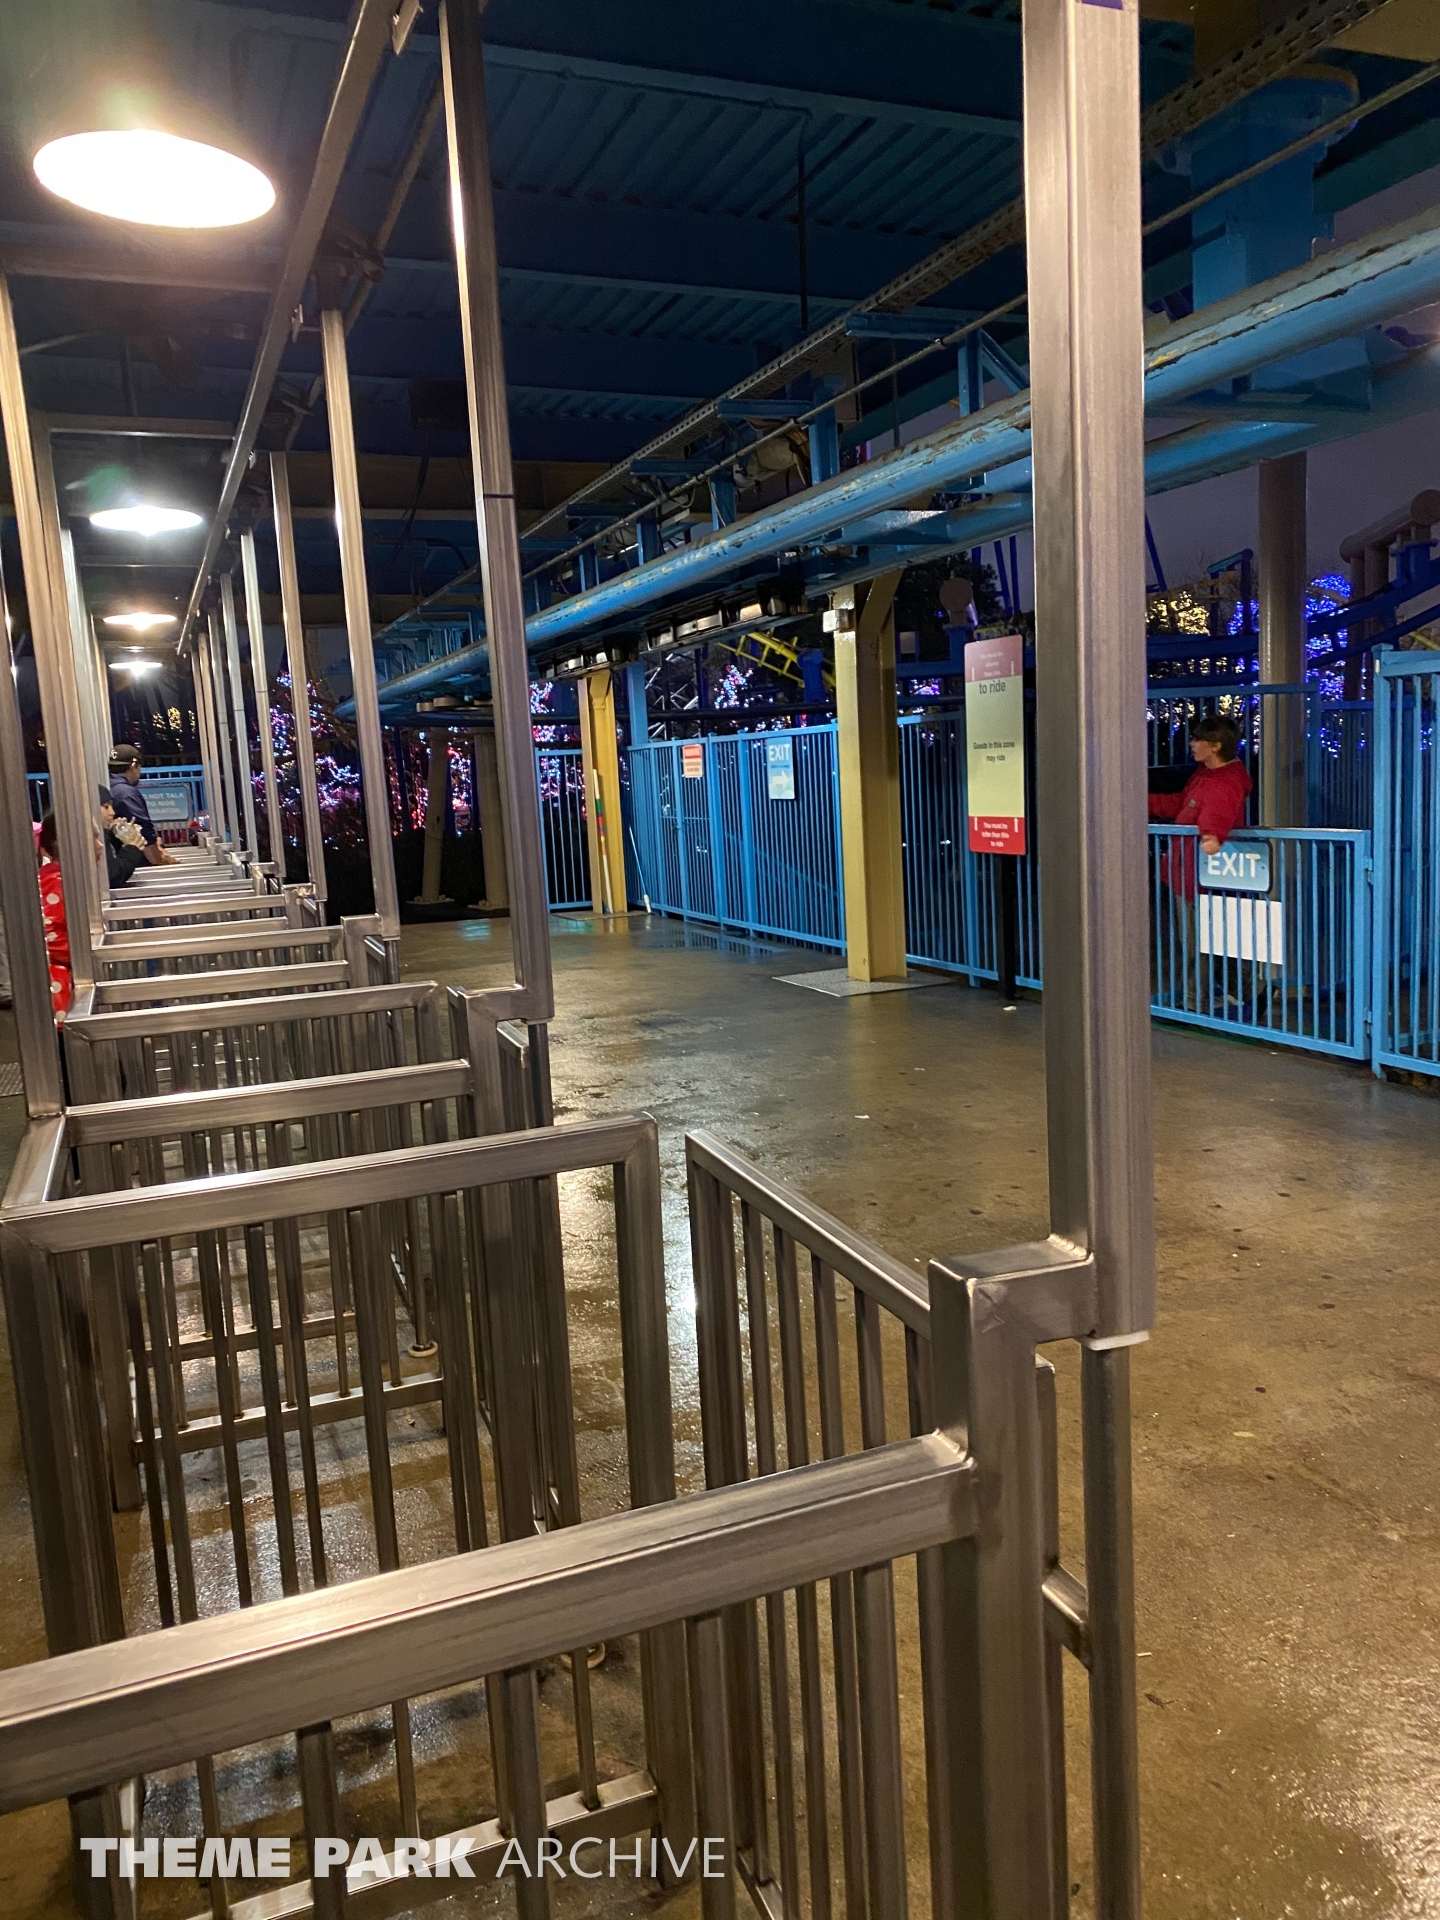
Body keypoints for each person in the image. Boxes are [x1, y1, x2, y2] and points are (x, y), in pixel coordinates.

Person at [1147, 715, 1252, 899]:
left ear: (1216, 746)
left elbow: (1217, 813)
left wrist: (1212, 836)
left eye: (1197, 740)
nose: (1191, 744)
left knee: (1195, 915)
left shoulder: (1227, 782)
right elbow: (1185, 804)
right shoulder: (1206, 774)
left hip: (1199, 875)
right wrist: (1145, 804)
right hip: (1188, 869)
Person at [109, 745, 177, 865]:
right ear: (133, 766)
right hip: (131, 861)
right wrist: (159, 861)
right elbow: (144, 832)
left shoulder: (108, 787)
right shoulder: (127, 794)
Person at [36, 813, 71, 1020]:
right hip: (63, 985)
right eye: (94, 838)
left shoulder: (43, 877)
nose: (100, 846)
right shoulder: (62, 883)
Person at [100, 786, 146, 889]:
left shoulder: (103, 835)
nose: (112, 812)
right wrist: (132, 849)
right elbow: (112, 876)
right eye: (106, 807)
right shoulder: (93, 837)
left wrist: (115, 838)